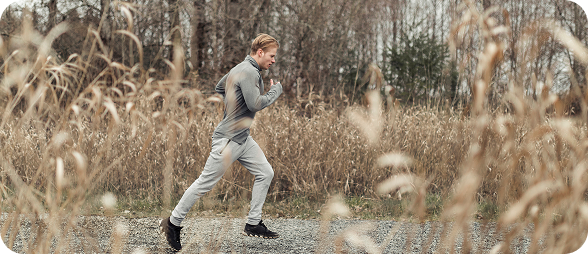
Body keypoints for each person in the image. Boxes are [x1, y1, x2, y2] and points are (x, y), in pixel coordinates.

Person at [159, 33, 283, 251]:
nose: (273, 60)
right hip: (228, 140)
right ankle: (172, 222)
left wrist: (233, 107)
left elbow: (219, 87)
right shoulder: (249, 72)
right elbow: (255, 104)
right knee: (205, 183)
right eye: (271, 56)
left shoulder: (240, 68)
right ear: (260, 52)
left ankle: (253, 223)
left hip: (242, 138)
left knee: (266, 172)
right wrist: (275, 91)